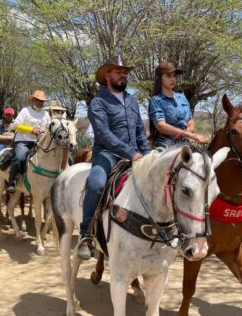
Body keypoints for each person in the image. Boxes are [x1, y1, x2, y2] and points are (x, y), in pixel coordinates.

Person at [77, 56, 151, 260]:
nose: (123, 74)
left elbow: (139, 133)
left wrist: (148, 155)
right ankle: (86, 235)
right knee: (96, 184)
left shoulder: (132, 101)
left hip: (135, 154)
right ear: (107, 75)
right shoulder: (98, 103)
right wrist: (131, 153)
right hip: (107, 154)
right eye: (118, 71)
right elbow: (103, 134)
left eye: (125, 71)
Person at [148, 61, 206, 149]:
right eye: (168, 76)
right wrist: (187, 134)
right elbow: (161, 126)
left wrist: (189, 131)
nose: (173, 79)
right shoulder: (156, 100)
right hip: (166, 145)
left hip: (185, 143)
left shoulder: (182, 97)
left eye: (174, 76)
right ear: (160, 78)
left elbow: (190, 119)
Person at [6, 90, 51, 193]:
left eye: (42, 101)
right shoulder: (25, 111)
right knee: (19, 157)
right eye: (38, 100)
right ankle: (12, 182)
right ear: (33, 100)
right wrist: (31, 130)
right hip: (24, 141)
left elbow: (49, 128)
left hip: (40, 143)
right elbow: (16, 125)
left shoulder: (46, 114)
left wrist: (44, 130)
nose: (40, 103)